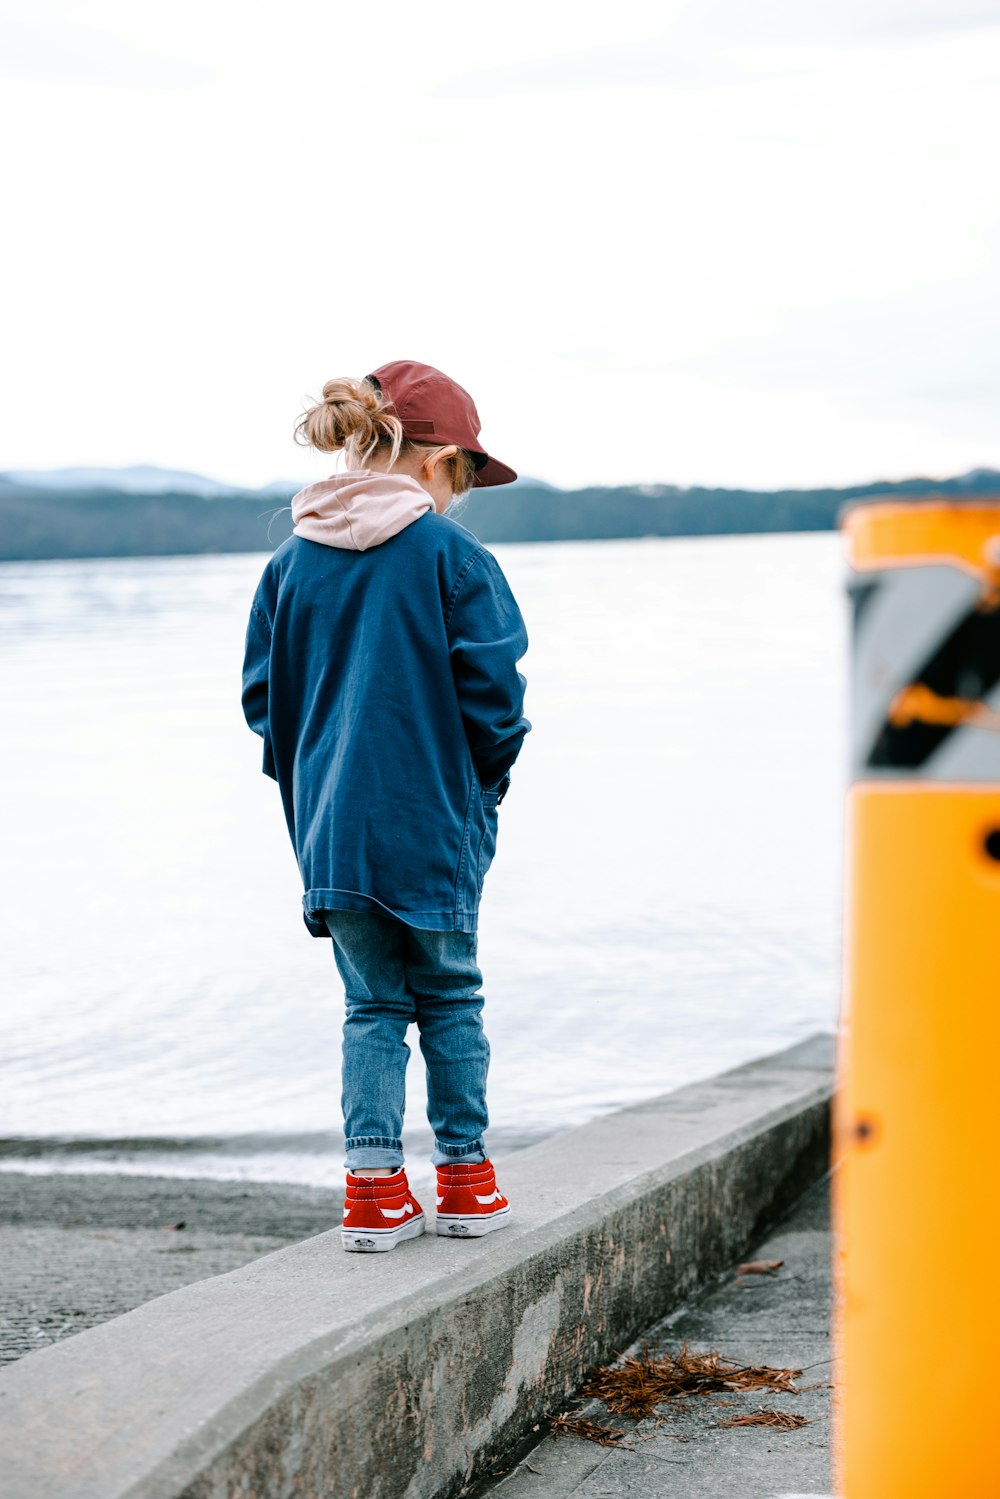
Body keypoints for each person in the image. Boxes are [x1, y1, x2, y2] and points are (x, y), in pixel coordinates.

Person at [241, 359, 531, 1253]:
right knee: (450, 996)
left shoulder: (289, 563)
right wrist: (483, 787)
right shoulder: (452, 554)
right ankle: (467, 1183)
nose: (467, 495)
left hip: (331, 828)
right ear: (441, 463)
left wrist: (315, 786)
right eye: (469, 477)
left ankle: (372, 1194)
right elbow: (495, 698)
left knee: (371, 1006)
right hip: (431, 817)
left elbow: (263, 701)